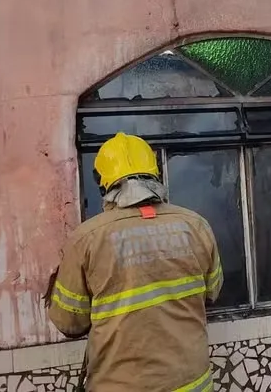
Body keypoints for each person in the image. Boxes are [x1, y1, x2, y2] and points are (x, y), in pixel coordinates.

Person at [46, 132, 223, 392]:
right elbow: (213, 291)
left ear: (103, 185)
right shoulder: (196, 226)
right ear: (156, 176)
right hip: (193, 383)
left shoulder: (87, 239)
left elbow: (69, 322)